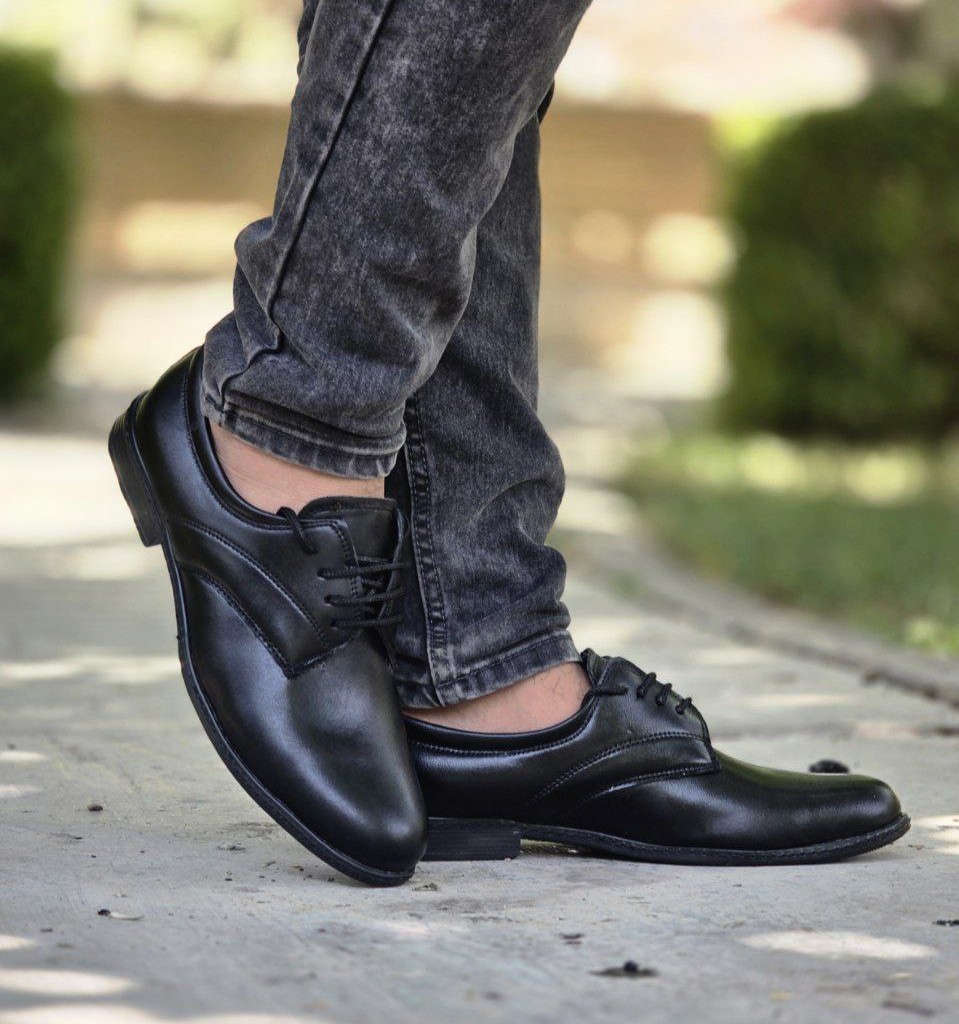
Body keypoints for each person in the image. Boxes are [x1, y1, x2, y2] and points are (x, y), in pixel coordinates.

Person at [109, 0, 908, 886]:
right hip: (295, 416)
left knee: (501, 71)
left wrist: (485, 642)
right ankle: (291, 429)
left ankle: (486, 676)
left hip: (479, 649)